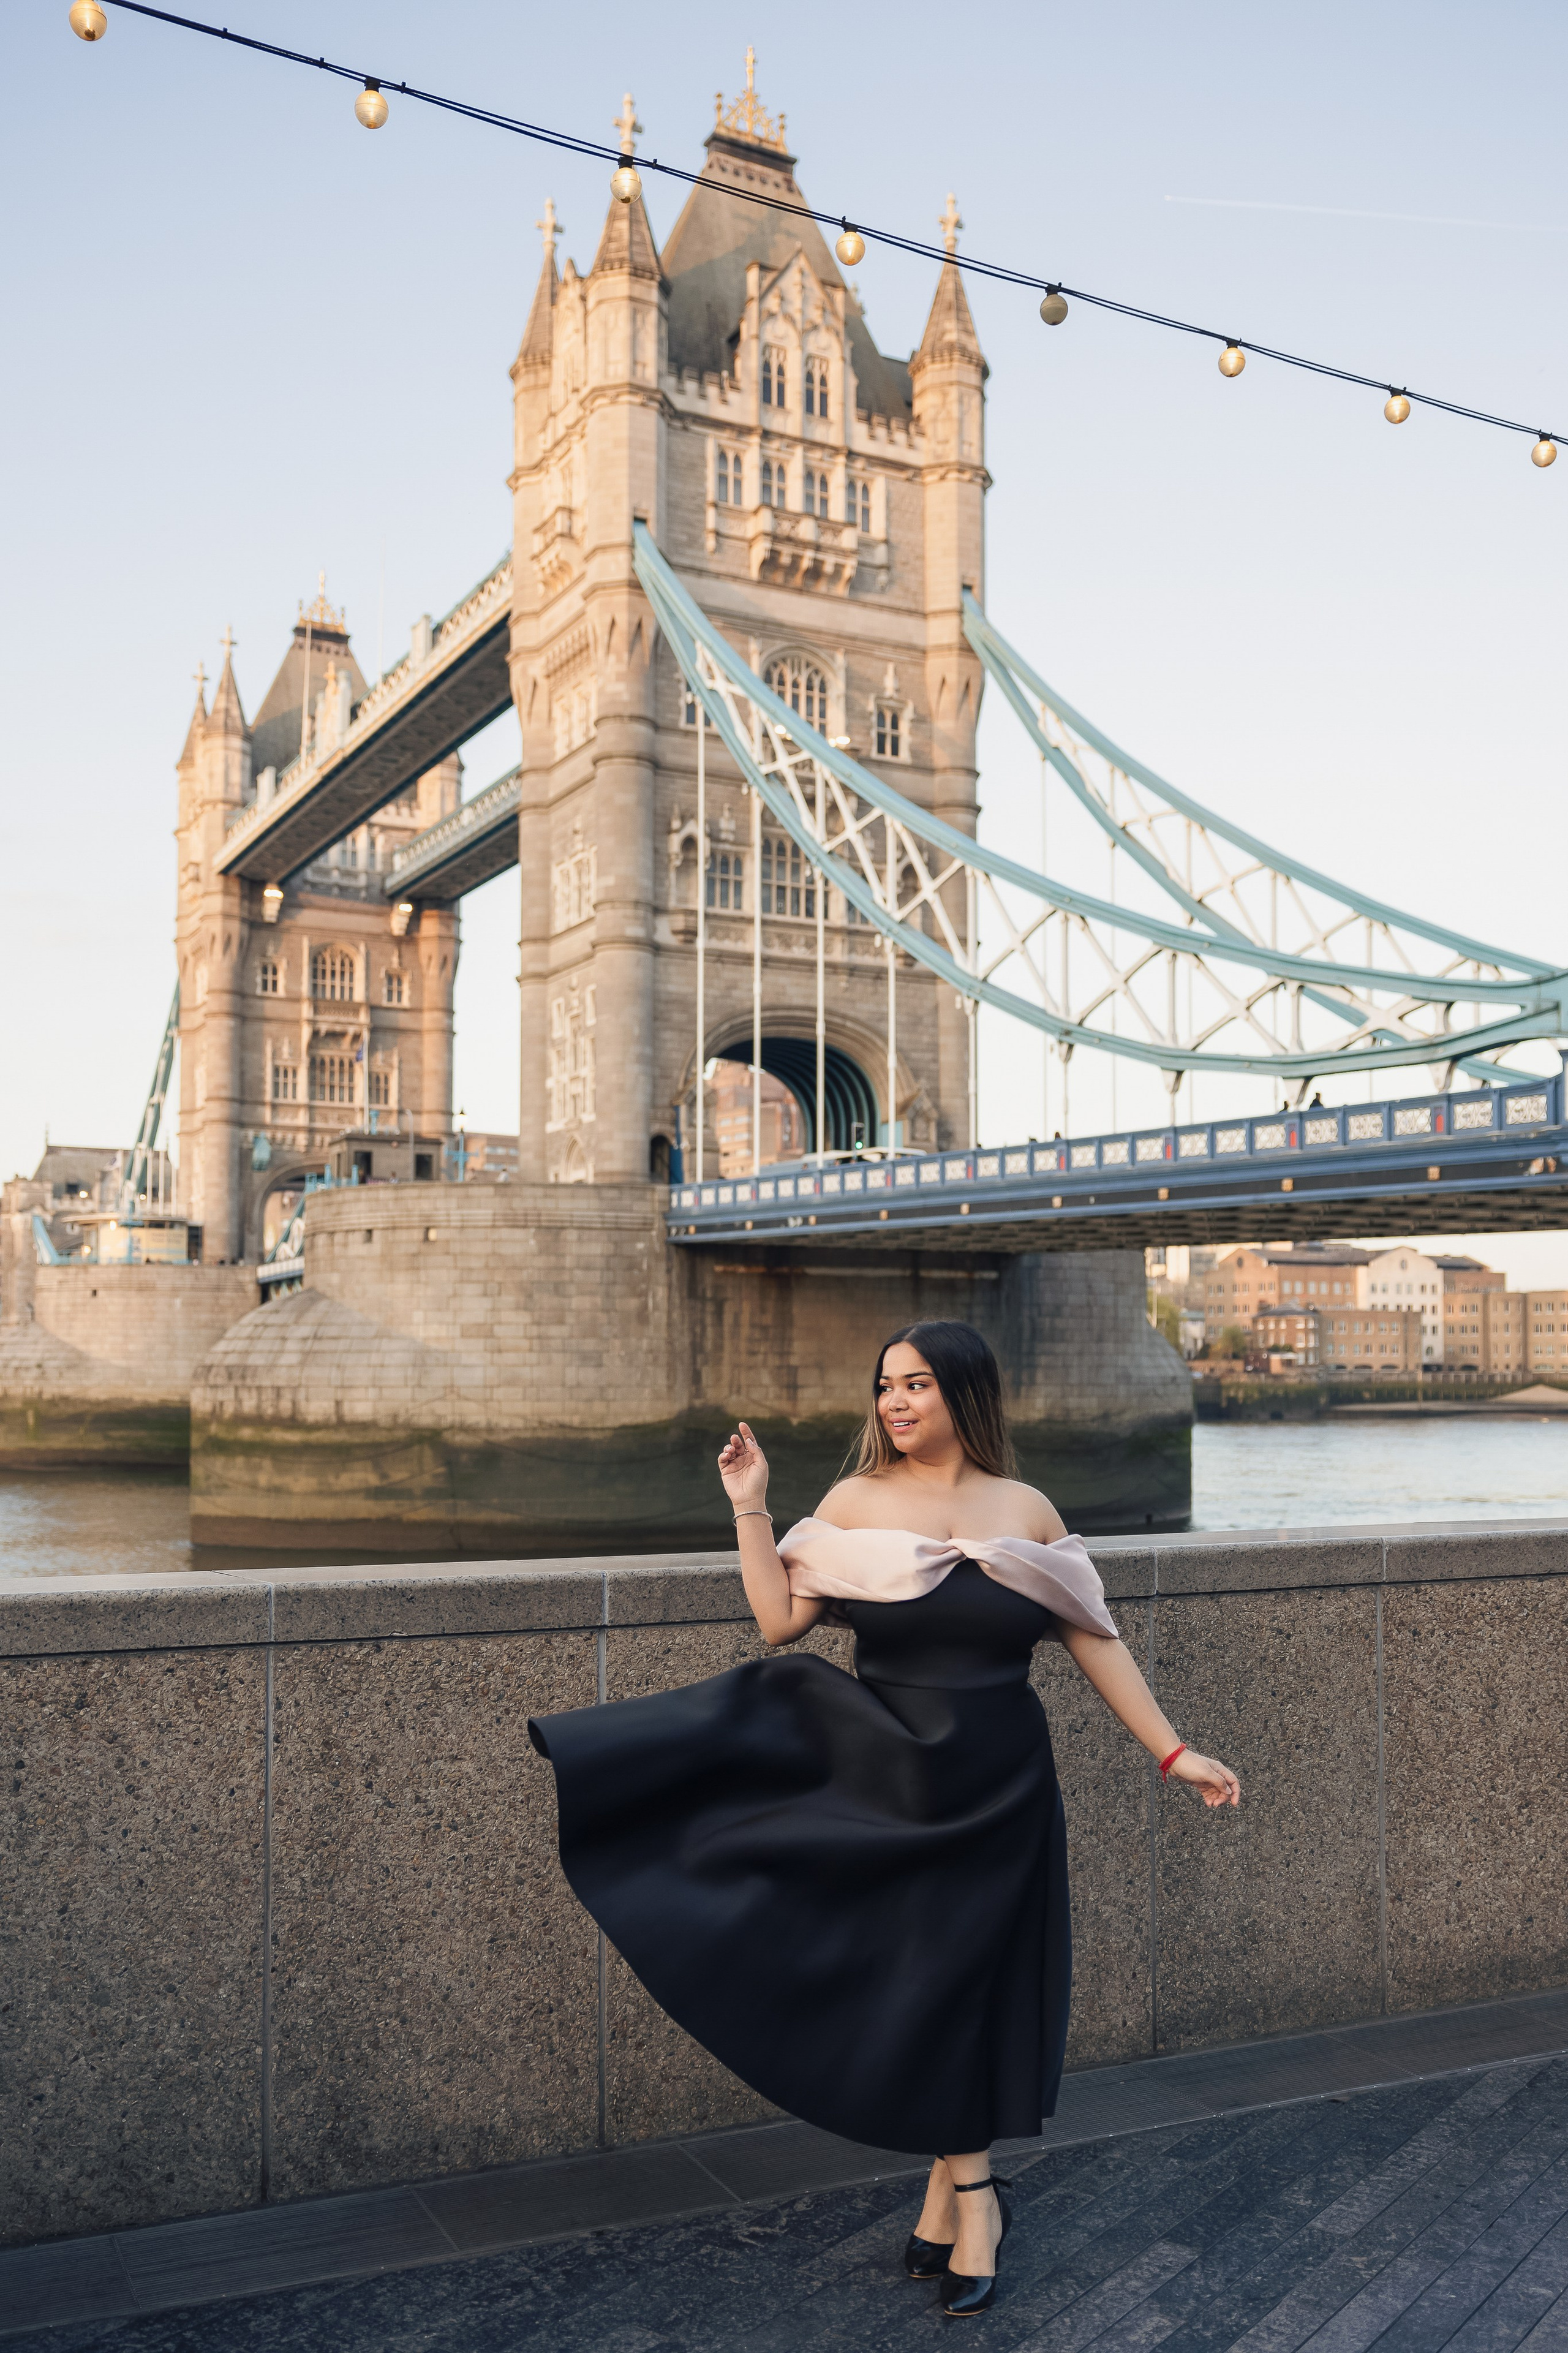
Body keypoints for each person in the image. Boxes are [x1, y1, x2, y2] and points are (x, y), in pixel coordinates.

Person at [529, 1320, 1239, 2318]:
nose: (895, 1402)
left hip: (1003, 1783)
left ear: (963, 1392)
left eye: (915, 1385)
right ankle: (978, 2199)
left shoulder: (1025, 1509)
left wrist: (1174, 1751)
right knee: (926, 1985)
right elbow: (778, 1623)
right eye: (885, 1386)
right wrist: (751, 1507)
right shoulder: (854, 1503)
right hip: (891, 1781)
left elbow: (1095, 1637)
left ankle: (948, 2199)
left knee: (979, 1988)